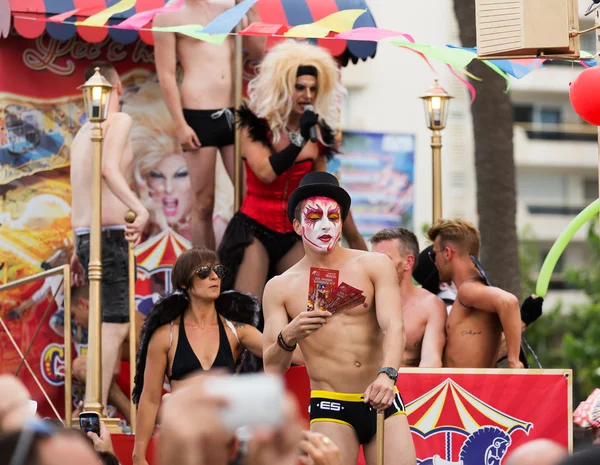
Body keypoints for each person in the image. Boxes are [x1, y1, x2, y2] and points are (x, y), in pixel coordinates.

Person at [262, 172, 416, 465]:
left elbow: (394, 326)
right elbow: (272, 367)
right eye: (314, 216)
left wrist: (388, 375)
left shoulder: (373, 264)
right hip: (330, 402)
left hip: (381, 395)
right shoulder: (280, 286)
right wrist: (289, 336)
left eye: (333, 217)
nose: (325, 224)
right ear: (296, 225)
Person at [218, 40, 363, 305]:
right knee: (246, 307)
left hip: (296, 231)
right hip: (255, 228)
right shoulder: (253, 126)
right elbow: (265, 172)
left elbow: (325, 191)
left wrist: (355, 238)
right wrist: (299, 141)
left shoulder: (317, 135)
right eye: (299, 87)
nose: (307, 94)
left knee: (303, 306)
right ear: (283, 87)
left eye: (312, 88)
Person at [131, 247, 303, 465]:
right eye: (203, 272)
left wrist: (290, 335)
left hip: (223, 439)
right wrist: (139, 455)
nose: (214, 277)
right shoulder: (166, 335)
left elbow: (284, 354)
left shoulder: (236, 330)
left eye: (218, 271)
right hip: (184, 437)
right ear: (184, 283)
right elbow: (150, 398)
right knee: (167, 400)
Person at [153, 0, 265, 249]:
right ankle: (204, 272)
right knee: (203, 201)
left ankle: (248, 261)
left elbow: (258, 49)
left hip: (233, 112)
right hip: (197, 114)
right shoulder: (168, 16)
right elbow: (166, 75)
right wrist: (180, 124)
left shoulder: (228, 8)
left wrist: (250, 7)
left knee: (251, 195)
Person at [70, 62, 149, 414]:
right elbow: (108, 170)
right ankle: (93, 411)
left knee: (106, 324)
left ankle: (93, 409)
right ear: (118, 89)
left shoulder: (80, 133)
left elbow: (81, 192)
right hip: (111, 237)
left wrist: (77, 248)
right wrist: (140, 208)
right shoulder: (118, 121)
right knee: (115, 325)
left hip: (88, 236)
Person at [426, 219, 524, 369]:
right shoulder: (475, 291)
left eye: (434, 255)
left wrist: (514, 362)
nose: (434, 263)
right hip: (466, 388)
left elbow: (509, 302)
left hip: (465, 389)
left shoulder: (469, 290)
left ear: (447, 253)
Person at [370, 228, 446, 367]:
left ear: (408, 262)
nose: (375, 265)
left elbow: (431, 361)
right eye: (372, 259)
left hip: (407, 386)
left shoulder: (430, 305)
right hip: (360, 386)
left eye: (383, 259)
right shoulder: (363, 301)